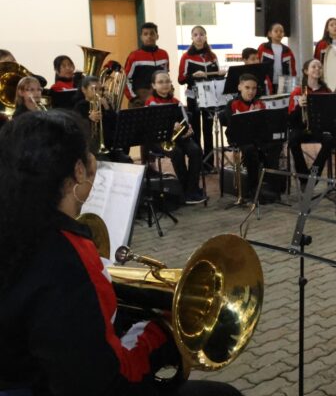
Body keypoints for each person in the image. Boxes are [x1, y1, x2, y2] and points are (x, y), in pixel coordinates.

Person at [0, 110, 241, 396]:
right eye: (90, 154)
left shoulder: (15, 224)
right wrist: (161, 332)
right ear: (78, 170)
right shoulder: (68, 256)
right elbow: (109, 380)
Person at [146, 70, 206, 205]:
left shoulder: (176, 102)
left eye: (167, 81)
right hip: (159, 139)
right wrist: (169, 126)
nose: (165, 85)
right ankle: (187, 190)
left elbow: (185, 121)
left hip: (179, 138)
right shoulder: (151, 103)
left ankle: (191, 189)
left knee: (196, 151)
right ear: (154, 86)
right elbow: (152, 125)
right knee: (177, 153)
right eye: (160, 82)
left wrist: (188, 129)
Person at [221, 73, 282, 203]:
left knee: (275, 146)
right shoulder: (232, 104)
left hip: (257, 137)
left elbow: (265, 126)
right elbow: (232, 127)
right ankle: (253, 189)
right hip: (239, 138)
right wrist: (249, 115)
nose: (251, 91)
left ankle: (272, 187)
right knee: (250, 151)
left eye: (254, 88)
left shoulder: (260, 103)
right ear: (239, 87)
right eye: (247, 88)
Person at [178, 25, 226, 168]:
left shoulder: (212, 56)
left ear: (206, 37)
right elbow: (181, 79)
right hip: (194, 97)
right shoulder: (186, 57)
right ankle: (197, 163)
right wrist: (192, 76)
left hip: (210, 97)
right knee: (196, 130)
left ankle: (209, 163)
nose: (199, 37)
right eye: (196, 34)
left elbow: (217, 75)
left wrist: (221, 74)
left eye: (201, 34)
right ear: (192, 38)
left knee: (208, 129)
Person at [287, 59, 335, 178]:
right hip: (301, 128)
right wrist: (299, 106)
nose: (317, 69)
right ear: (306, 71)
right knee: (293, 139)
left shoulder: (326, 91)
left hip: (319, 128)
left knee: (329, 140)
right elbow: (291, 119)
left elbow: (331, 115)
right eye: (314, 67)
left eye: (319, 67)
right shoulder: (298, 91)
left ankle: (314, 173)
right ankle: (303, 175)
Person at [124, 22, 170, 107]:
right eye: (145, 34)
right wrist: (133, 98)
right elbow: (125, 79)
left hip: (160, 99)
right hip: (140, 100)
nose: (149, 36)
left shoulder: (164, 54)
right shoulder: (134, 56)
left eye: (152, 33)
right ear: (141, 37)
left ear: (157, 36)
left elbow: (166, 75)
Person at [257, 22, 297, 91]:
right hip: (266, 82)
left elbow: (292, 69)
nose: (279, 33)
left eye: (281, 31)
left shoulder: (287, 50)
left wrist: (292, 83)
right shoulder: (263, 48)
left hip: (283, 83)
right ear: (269, 34)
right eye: (276, 31)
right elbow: (258, 64)